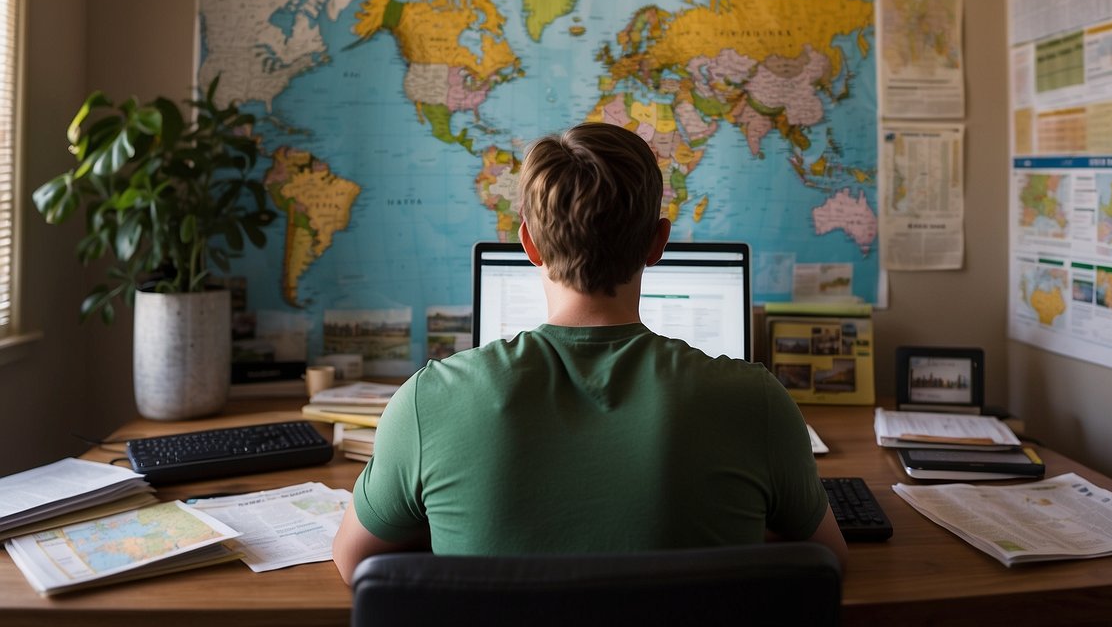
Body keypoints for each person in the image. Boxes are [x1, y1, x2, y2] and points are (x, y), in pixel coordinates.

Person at [332, 122, 846, 583]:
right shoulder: (755, 401)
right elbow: (828, 562)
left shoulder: (428, 402)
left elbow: (355, 562)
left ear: (529, 245)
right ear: (658, 242)